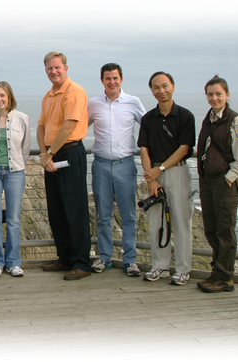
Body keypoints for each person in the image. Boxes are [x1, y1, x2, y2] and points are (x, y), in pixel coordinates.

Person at [37, 51, 92, 281]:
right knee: (57, 209)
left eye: (57, 67)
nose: (54, 71)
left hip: (69, 153)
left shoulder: (74, 91)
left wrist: (49, 153)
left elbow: (69, 126)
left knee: (75, 209)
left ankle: (82, 262)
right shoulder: (49, 95)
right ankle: (65, 257)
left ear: (66, 68)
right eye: (49, 68)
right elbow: (41, 127)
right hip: (51, 156)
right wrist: (43, 153)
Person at [137, 71, 196, 286]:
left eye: (164, 86)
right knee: (156, 223)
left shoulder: (185, 116)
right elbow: (143, 149)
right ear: (151, 90)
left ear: (172, 86)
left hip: (176, 172)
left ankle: (182, 269)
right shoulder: (148, 119)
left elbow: (184, 149)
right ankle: (160, 266)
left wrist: (160, 169)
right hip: (153, 174)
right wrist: (151, 179)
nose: (161, 91)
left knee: (181, 222)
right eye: (156, 87)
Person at [87, 63, 146, 277]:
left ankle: (130, 260)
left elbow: (147, 126)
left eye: (115, 78)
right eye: (107, 78)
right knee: (103, 215)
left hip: (126, 165)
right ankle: (104, 257)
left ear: (121, 79)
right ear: (102, 80)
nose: (112, 82)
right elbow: (77, 127)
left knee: (128, 214)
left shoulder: (133, 102)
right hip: (101, 164)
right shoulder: (93, 104)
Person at [196, 75, 238, 293]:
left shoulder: (235, 121)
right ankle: (217, 273)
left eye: (218, 93)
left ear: (227, 95)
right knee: (211, 229)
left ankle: (226, 278)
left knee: (225, 231)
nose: (214, 97)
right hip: (208, 181)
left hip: (225, 182)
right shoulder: (209, 119)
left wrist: (228, 179)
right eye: (210, 94)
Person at [0, 81, 30, 278]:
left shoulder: (22, 118)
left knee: (13, 219)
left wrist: (17, 165)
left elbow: (25, 148)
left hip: (15, 172)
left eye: (2, 95)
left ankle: (14, 262)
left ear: (9, 96)